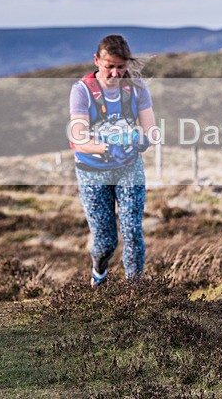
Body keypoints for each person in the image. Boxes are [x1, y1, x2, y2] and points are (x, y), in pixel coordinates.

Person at [67, 35, 155, 287]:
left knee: (132, 231)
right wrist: (106, 148)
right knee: (106, 241)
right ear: (97, 61)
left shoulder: (137, 89)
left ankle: (134, 290)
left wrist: (144, 140)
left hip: (129, 169)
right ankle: (99, 271)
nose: (115, 73)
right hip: (92, 171)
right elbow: (78, 137)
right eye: (109, 66)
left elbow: (151, 129)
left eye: (120, 67)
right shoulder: (81, 91)